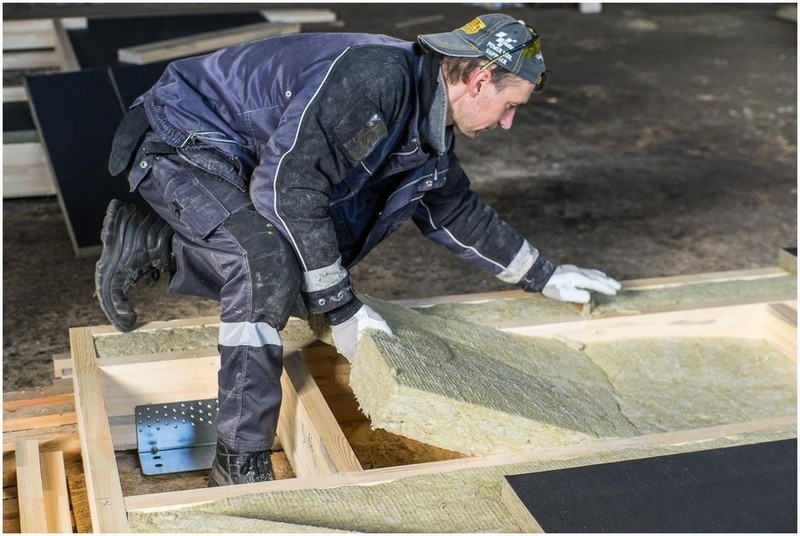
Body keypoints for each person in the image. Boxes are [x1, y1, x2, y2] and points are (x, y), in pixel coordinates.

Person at [95, 13, 621, 487]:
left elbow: (455, 212)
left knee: (315, 258)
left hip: (243, 152)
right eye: (510, 107)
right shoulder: (376, 79)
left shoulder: (426, 124)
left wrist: (544, 275)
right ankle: (240, 458)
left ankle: (157, 244)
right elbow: (286, 188)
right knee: (265, 263)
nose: (508, 122)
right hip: (182, 133)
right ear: (480, 79)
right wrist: (342, 308)